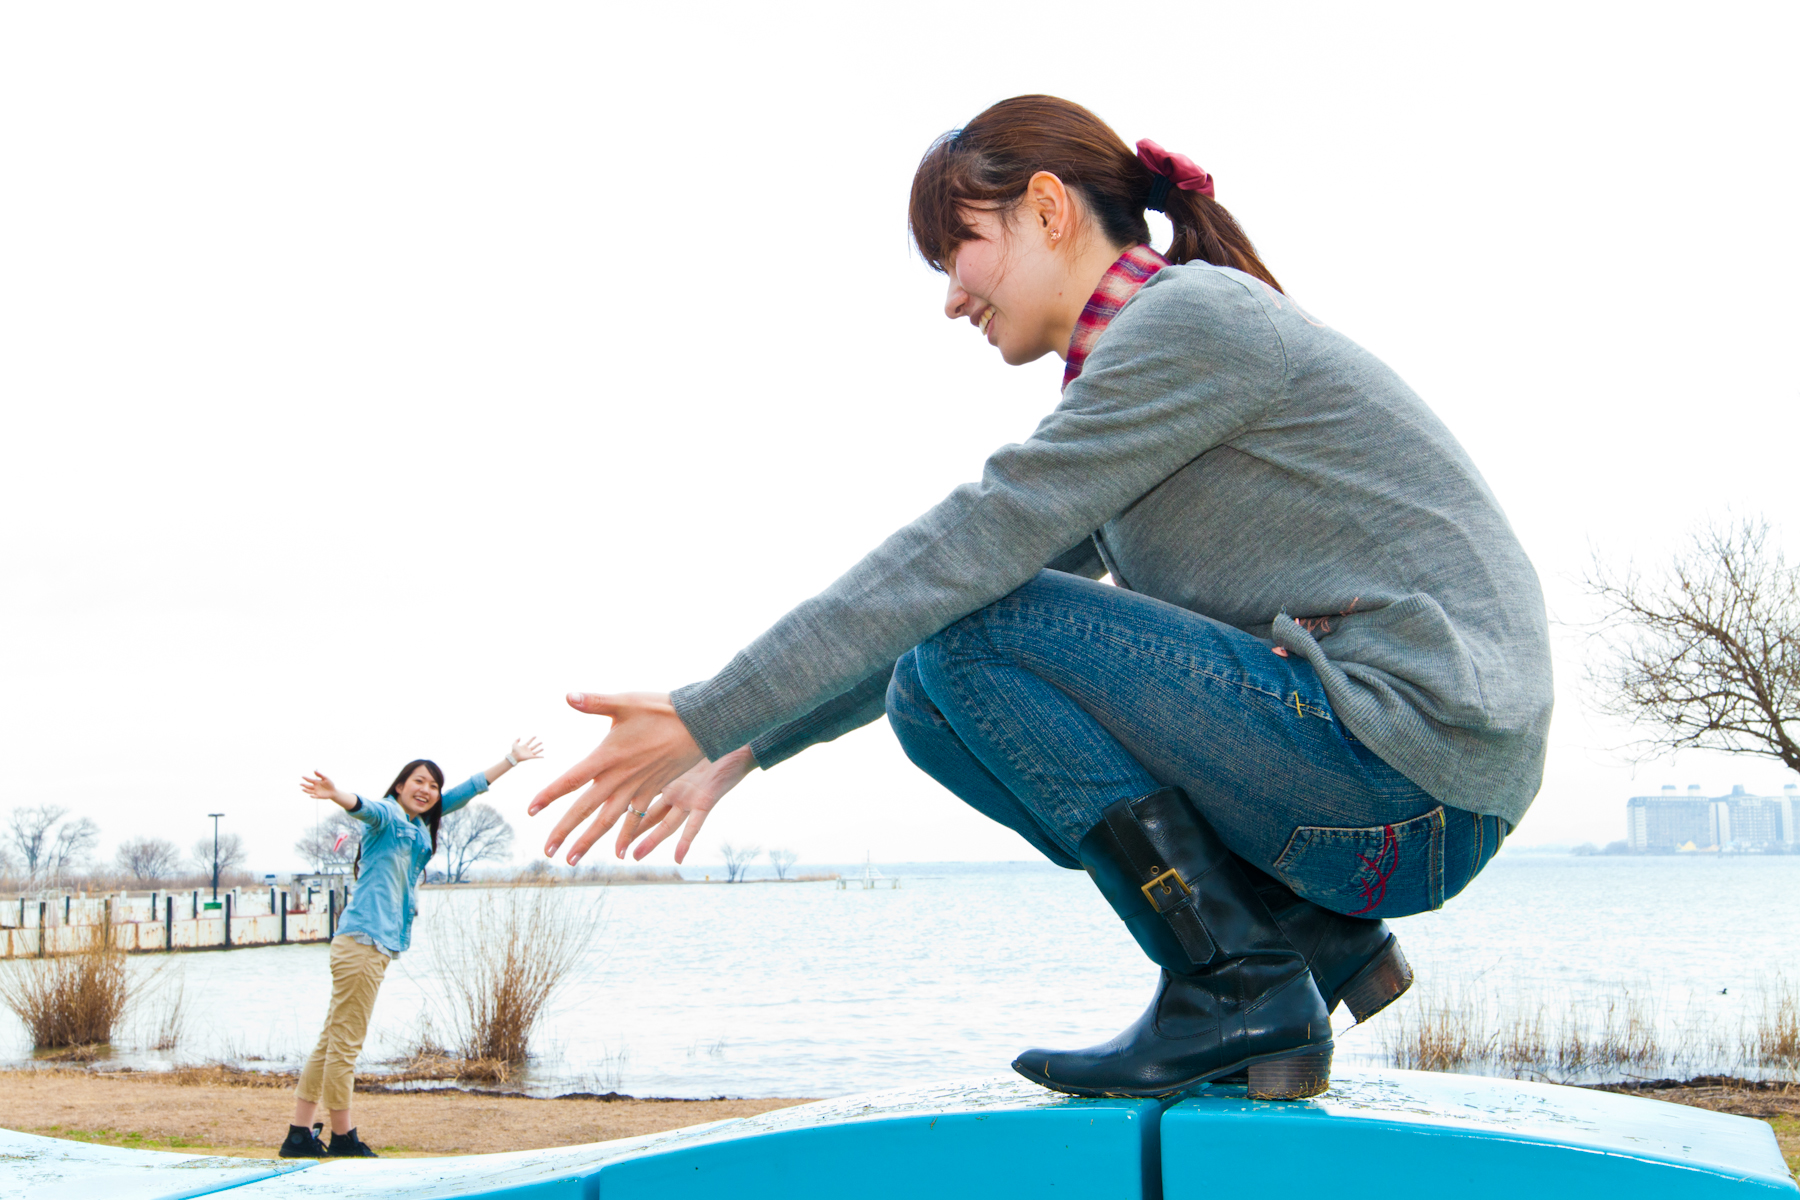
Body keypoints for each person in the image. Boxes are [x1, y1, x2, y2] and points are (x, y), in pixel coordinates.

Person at [529, 95, 1552, 1102]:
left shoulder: (1190, 322)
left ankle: (1237, 980)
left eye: (958, 249)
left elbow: (964, 554)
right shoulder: (1140, 380)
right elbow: (952, 599)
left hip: (1403, 770)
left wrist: (709, 707)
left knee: (966, 644)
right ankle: (1298, 938)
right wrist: (744, 747)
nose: (949, 297)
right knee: (928, 696)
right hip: (1396, 790)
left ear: (1048, 210)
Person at [278, 738, 543, 1158]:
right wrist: (337, 795)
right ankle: (344, 1138)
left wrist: (511, 760)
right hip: (364, 942)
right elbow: (364, 805)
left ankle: (298, 1133)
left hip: (368, 943)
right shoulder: (387, 816)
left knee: (332, 1039)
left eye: (434, 785)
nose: (428, 789)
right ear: (400, 786)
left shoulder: (419, 825)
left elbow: (464, 792)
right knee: (345, 1043)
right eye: (418, 781)